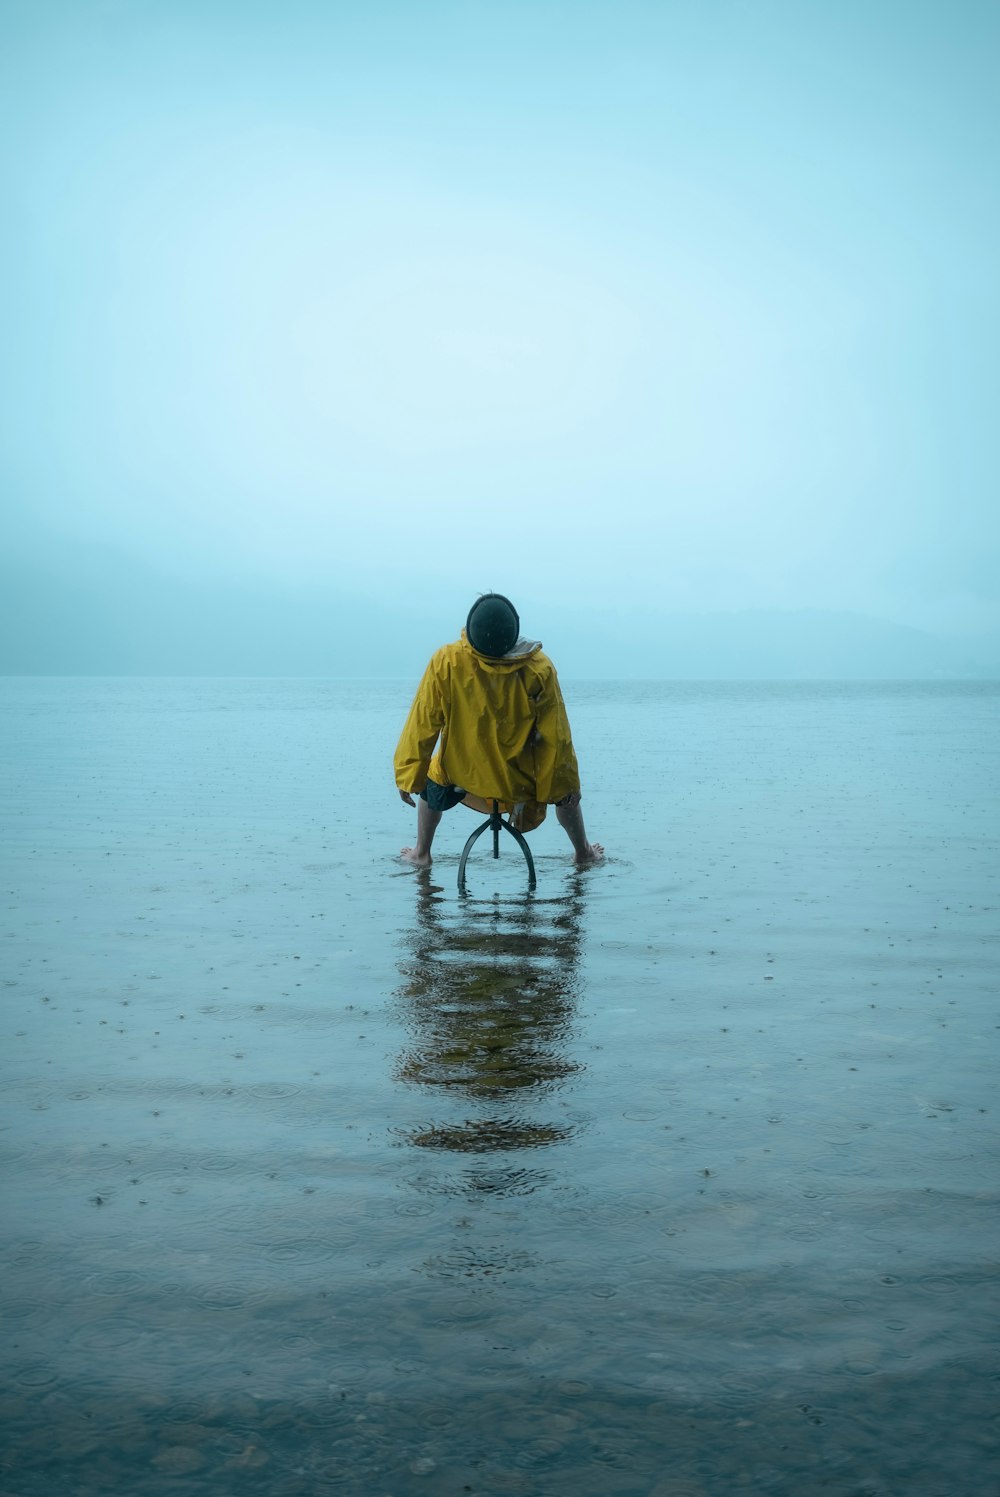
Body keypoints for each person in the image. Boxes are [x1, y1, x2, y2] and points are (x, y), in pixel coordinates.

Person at [394, 593, 604, 868]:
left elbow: (422, 725)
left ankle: (422, 853)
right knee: (564, 788)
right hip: (520, 779)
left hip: (462, 775)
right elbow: (557, 739)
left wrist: (409, 774)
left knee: (433, 777)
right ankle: (583, 852)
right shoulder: (539, 668)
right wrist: (568, 786)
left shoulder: (447, 662)